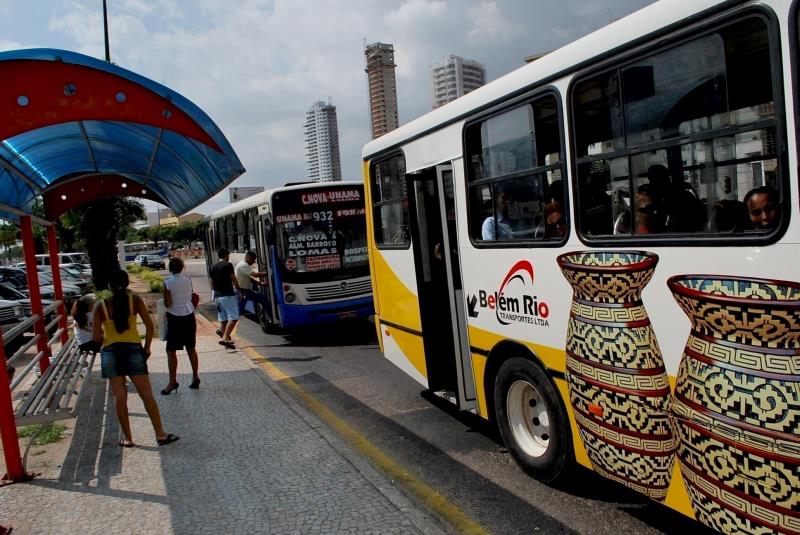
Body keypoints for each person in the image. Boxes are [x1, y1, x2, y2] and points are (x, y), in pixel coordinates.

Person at [92, 269, 178, 448]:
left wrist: (104, 334)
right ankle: (160, 434)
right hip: (133, 350)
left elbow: (96, 338)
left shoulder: (100, 306)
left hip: (110, 352)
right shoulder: (135, 301)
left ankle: (128, 438)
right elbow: (149, 325)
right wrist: (146, 348)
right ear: (127, 283)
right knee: (146, 394)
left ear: (109, 286)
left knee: (119, 396)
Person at [161, 257, 199, 394]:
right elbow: (190, 295)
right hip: (189, 315)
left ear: (170, 268)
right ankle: (195, 376)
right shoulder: (188, 279)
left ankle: (172, 382)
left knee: (171, 351)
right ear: (182, 267)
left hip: (175, 317)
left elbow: (168, 303)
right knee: (191, 348)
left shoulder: (167, 282)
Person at [210, 248, 240, 349]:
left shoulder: (213, 266)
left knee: (224, 319)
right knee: (234, 318)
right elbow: (233, 278)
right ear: (226, 255)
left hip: (217, 296)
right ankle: (225, 338)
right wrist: (239, 289)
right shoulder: (228, 265)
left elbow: (212, 283)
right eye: (228, 255)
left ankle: (222, 332)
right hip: (227, 295)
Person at [235, 251, 271, 318]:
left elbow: (250, 279)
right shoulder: (243, 265)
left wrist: (260, 283)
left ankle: (271, 317)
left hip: (247, 291)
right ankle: (226, 326)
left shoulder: (244, 265)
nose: (254, 262)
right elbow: (255, 275)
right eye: (253, 259)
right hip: (242, 292)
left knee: (263, 298)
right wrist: (269, 272)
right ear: (248, 257)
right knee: (238, 311)